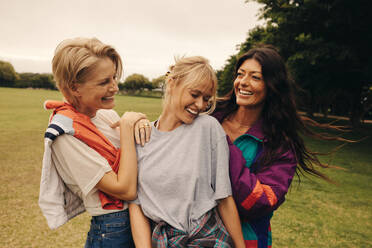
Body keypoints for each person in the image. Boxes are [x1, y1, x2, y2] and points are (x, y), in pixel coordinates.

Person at [212, 45, 348, 248]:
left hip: (244, 241)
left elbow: (259, 203)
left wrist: (223, 144)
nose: (243, 83)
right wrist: (145, 120)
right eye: (240, 74)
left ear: (272, 86)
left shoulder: (280, 145)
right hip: (189, 234)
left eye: (255, 77)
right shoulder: (210, 115)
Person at [38, 37, 150, 247]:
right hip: (114, 229)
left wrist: (140, 124)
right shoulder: (65, 134)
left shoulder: (102, 114)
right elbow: (125, 189)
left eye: (114, 78)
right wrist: (127, 127)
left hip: (139, 218)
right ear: (75, 88)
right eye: (104, 82)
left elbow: (134, 155)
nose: (115, 87)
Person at [129, 56, 246, 247]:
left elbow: (224, 197)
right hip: (165, 241)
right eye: (194, 94)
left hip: (208, 237)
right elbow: (136, 204)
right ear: (171, 83)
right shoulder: (140, 136)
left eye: (206, 99)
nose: (200, 105)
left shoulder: (208, 128)